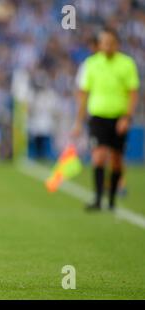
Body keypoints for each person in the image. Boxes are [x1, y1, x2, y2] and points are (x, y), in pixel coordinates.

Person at [72, 28, 140, 211]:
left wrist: (127, 117)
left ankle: (111, 200)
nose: (107, 46)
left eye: (111, 42)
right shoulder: (91, 64)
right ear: (99, 44)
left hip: (119, 118)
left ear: (116, 44)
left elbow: (133, 94)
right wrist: (78, 122)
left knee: (117, 159)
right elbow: (84, 94)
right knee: (99, 157)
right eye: (104, 42)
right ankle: (97, 198)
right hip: (98, 117)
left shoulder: (127, 64)